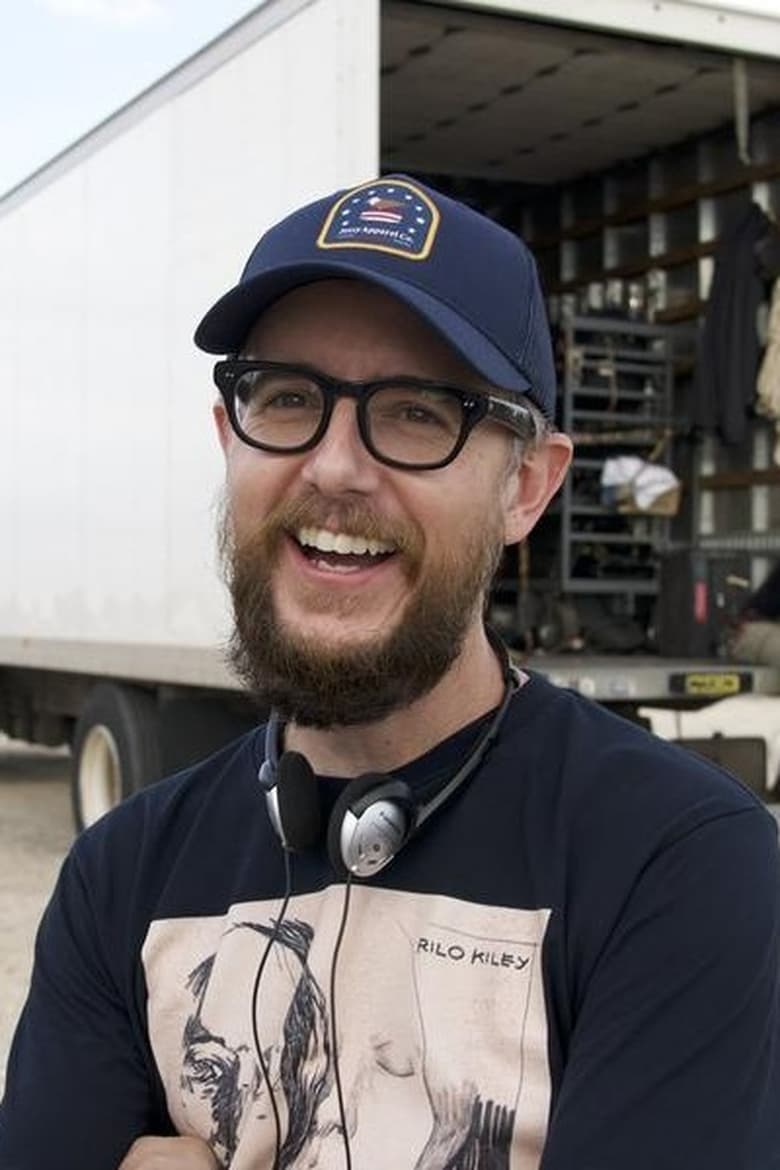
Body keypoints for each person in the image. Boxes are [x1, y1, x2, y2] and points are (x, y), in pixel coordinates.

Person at [1, 175, 778, 1170]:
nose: (334, 466)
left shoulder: (671, 861)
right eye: (286, 399)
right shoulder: (117, 881)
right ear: (228, 440)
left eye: (417, 412)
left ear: (527, 487)